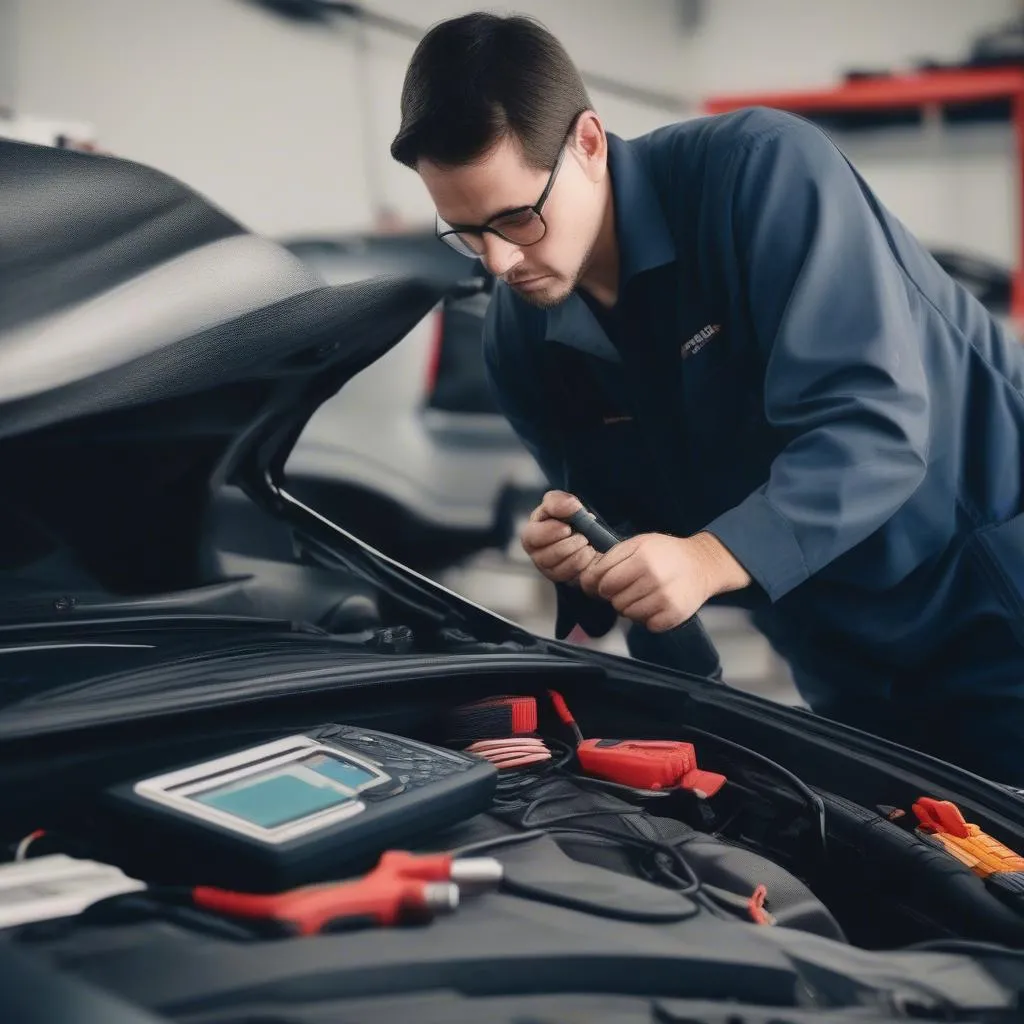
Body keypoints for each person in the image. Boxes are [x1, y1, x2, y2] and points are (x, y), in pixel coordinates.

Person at [389, 12, 1024, 784]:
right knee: (929, 877)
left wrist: (708, 557)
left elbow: (873, 429)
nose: (498, 263)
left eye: (517, 217)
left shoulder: (760, 175)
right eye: (464, 233)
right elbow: (629, 515)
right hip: (837, 652)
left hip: (988, 596)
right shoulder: (521, 338)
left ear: (588, 142)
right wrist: (585, 554)